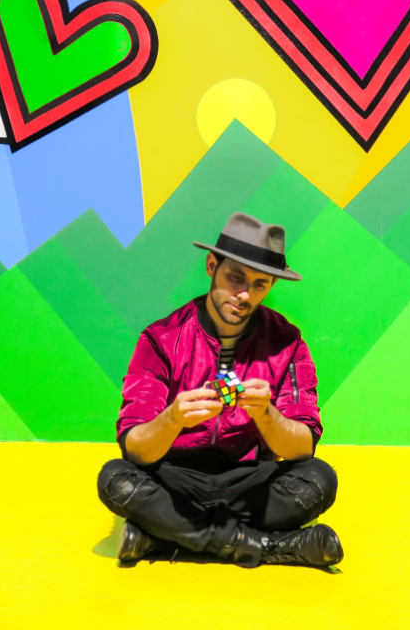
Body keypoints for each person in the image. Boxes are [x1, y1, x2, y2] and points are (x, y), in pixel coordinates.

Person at [97, 212, 342, 568]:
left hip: (248, 483)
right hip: (173, 480)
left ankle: (161, 537)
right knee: (115, 479)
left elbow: (303, 447)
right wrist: (173, 418)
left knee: (320, 479)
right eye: (235, 277)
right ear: (212, 265)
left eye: (260, 284)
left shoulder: (287, 343)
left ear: (272, 285)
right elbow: (134, 449)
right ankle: (269, 546)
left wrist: (267, 415)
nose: (244, 295)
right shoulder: (161, 338)